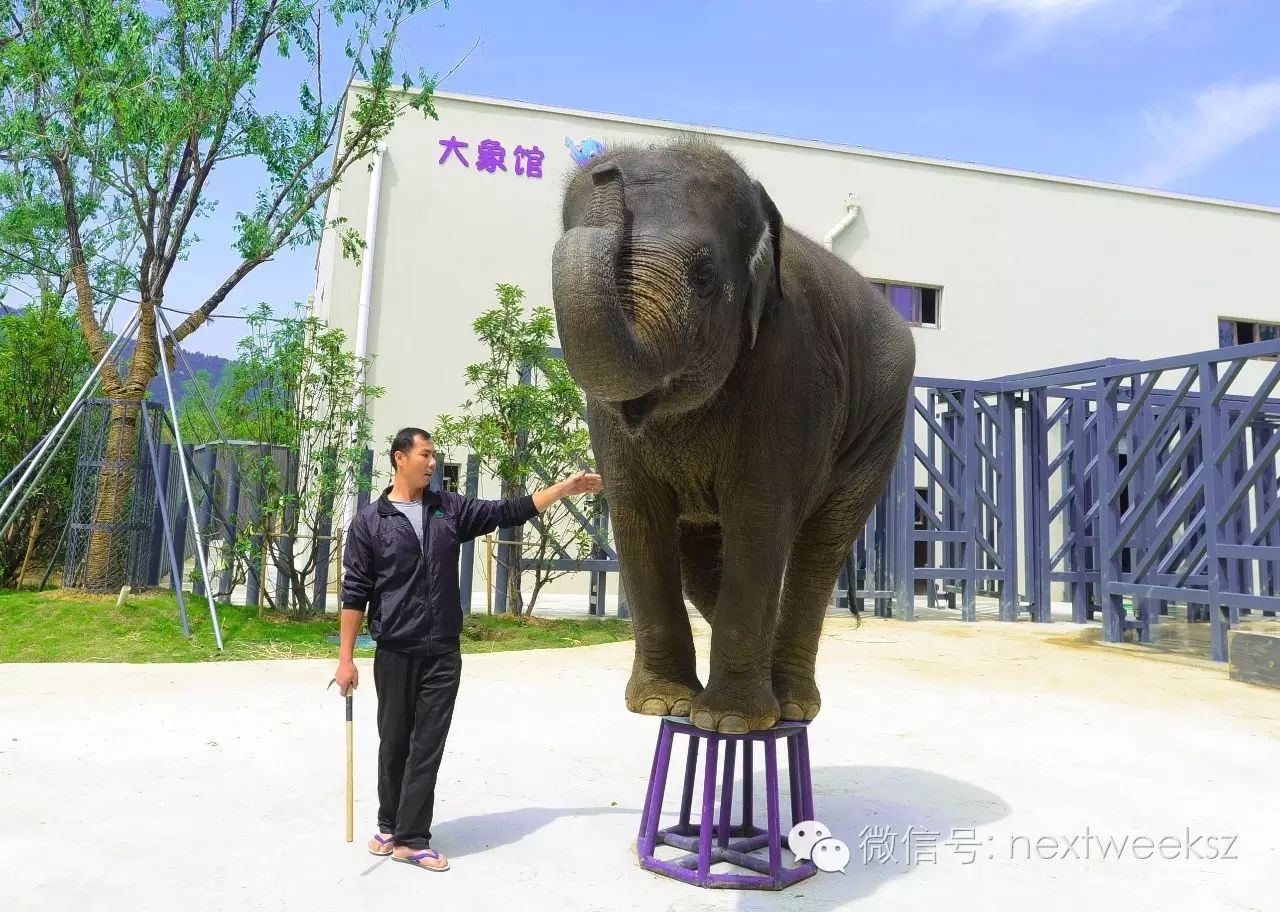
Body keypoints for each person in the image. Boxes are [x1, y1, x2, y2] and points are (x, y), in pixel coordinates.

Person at [333, 426, 603, 872]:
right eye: (425, 454)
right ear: (400, 458)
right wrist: (345, 659)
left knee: (427, 743)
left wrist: (565, 488)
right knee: (394, 741)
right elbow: (354, 592)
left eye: (434, 455)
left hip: (442, 651)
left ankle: (411, 838)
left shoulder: (448, 509)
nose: (433, 462)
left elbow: (509, 511)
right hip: (395, 650)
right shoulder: (370, 522)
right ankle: (390, 824)